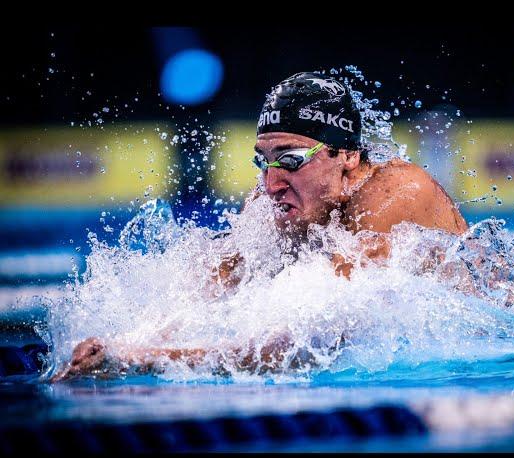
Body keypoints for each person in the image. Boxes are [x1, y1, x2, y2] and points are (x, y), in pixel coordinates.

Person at [53, 72, 467, 381]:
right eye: (262, 161)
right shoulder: (282, 203)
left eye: (290, 160)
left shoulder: (394, 194)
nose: (270, 184)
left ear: (348, 156)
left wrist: (142, 358)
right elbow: (208, 287)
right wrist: (122, 341)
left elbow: (309, 343)